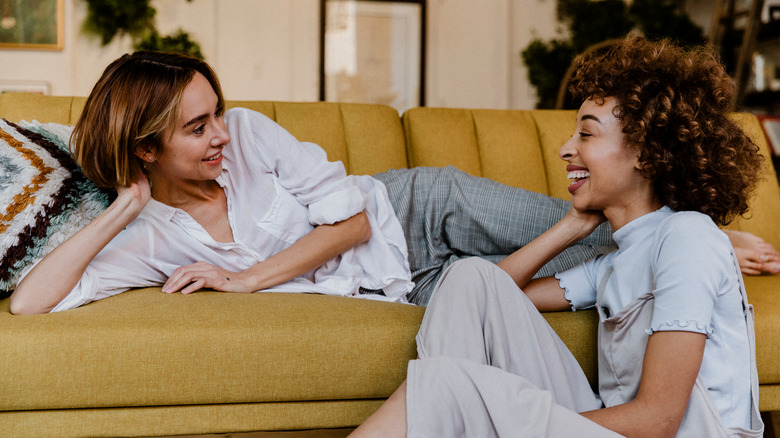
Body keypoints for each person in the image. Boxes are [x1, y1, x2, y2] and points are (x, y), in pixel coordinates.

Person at [7, 49, 778, 316]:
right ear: (144, 151)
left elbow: (350, 226)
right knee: (597, 272)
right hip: (402, 287)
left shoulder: (247, 134)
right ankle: (694, 246)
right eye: (195, 128)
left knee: (614, 233)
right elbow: (31, 303)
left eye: (214, 114)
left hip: (417, 208)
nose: (219, 135)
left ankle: (698, 238)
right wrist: (123, 210)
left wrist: (247, 284)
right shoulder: (147, 232)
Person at [350, 36, 765, 437]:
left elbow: (657, 422)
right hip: (612, 426)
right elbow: (488, 295)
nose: (566, 149)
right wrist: (572, 226)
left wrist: (508, 423)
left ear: (645, 151)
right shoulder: (615, 262)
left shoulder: (687, 237)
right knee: (468, 275)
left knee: (445, 383)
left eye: (586, 134)